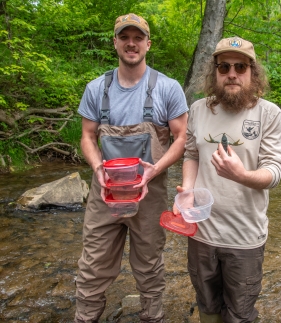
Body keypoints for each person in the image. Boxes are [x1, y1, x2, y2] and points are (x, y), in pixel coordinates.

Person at [75, 13, 188, 323]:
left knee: (150, 263)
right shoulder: (97, 88)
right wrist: (97, 167)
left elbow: (181, 139)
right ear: (115, 43)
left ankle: (153, 317)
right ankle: (85, 317)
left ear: (147, 44)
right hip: (104, 192)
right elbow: (86, 136)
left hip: (149, 194)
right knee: (93, 264)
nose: (131, 43)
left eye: (137, 37)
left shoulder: (168, 88)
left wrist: (154, 169)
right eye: (124, 37)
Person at [174, 36, 281, 323]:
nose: (232, 74)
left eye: (240, 67)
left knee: (240, 312)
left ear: (253, 72)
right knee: (207, 305)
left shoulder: (269, 114)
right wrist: (187, 188)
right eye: (224, 67)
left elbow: (274, 171)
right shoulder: (199, 109)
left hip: (245, 237)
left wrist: (242, 175)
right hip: (201, 233)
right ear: (214, 73)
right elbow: (190, 154)